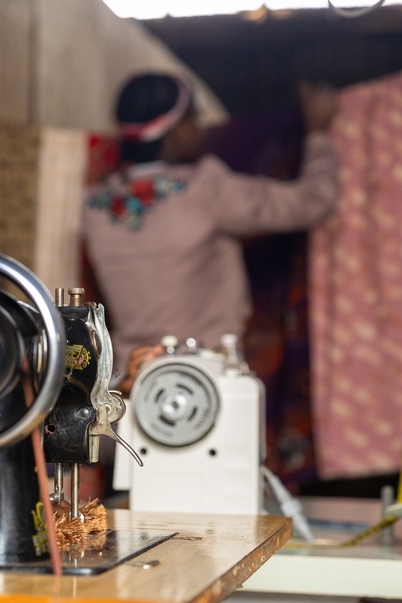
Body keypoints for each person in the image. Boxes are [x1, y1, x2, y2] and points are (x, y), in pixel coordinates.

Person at [82, 72, 340, 394]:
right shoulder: (204, 189)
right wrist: (318, 133)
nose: (201, 129)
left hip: (129, 383)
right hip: (206, 384)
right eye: (195, 118)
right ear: (175, 131)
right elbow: (313, 202)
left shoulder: (95, 206)